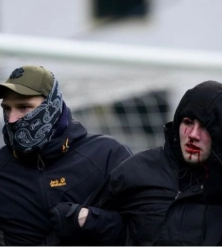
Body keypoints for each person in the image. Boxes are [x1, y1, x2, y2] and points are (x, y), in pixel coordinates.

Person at [51, 80, 222, 245]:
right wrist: (73, 219)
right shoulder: (136, 170)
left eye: (206, 126)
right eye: (188, 122)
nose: (193, 134)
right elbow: (95, 226)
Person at [0, 65, 132, 245]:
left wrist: (86, 219)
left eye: (24, 107)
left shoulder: (107, 154)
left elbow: (142, 228)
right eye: (7, 109)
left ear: (52, 106)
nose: (12, 118)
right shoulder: (2, 168)